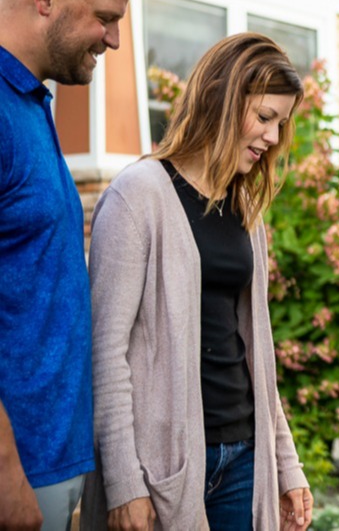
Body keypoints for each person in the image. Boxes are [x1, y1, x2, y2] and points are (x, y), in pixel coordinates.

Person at [80, 33, 314, 530]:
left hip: (244, 458)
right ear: (222, 100)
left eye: (282, 123)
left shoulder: (246, 210)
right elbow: (105, 351)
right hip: (164, 465)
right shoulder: (137, 197)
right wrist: (124, 481)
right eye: (265, 117)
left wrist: (285, 464)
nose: (273, 138)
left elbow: (258, 350)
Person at [0, 0, 131, 530]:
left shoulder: (29, 100)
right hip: (18, 468)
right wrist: (6, 474)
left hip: (54, 459)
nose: (115, 39)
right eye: (105, 17)